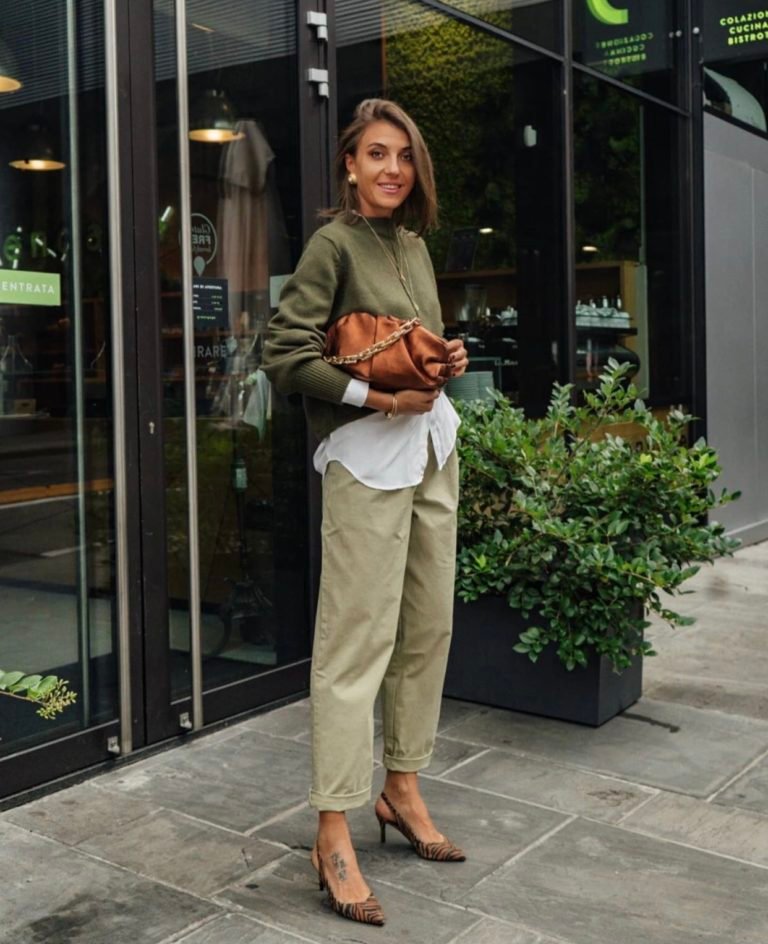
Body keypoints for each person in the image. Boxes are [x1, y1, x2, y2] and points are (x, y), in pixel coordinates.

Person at [261, 98, 469, 928]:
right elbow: (284, 352)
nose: (392, 170)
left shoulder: (413, 246)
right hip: (366, 460)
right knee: (354, 643)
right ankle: (335, 828)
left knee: (427, 628)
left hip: (431, 453)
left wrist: (446, 358)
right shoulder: (333, 244)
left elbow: (414, 342)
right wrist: (373, 394)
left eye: (404, 158)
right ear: (349, 164)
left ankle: (404, 789)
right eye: (377, 155)